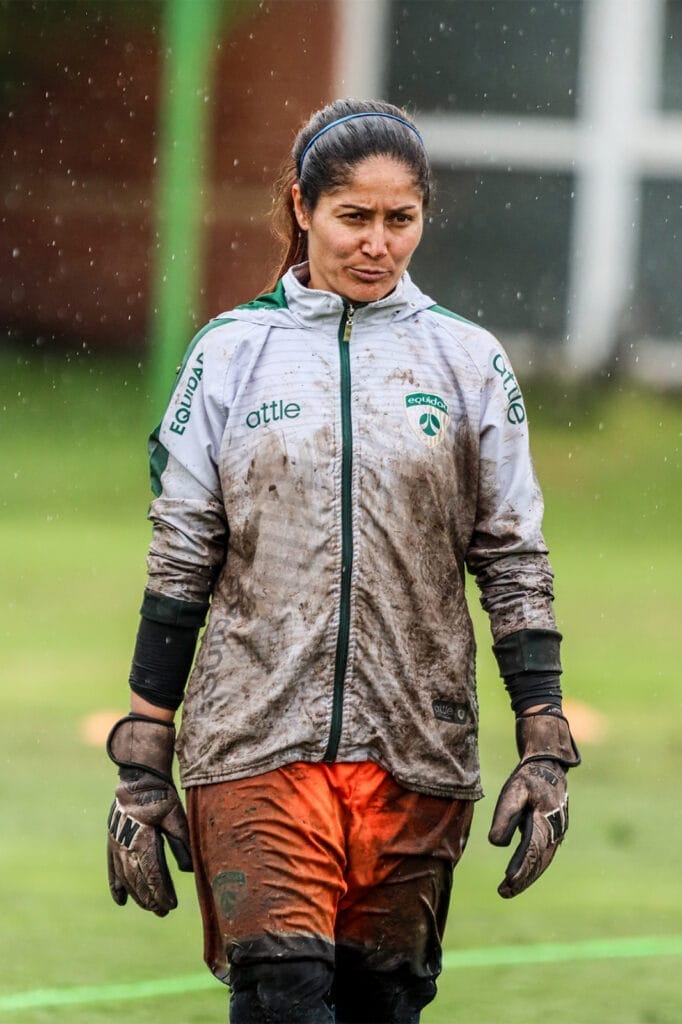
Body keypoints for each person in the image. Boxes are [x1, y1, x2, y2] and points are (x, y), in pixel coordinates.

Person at [106, 98, 580, 1024]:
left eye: (399, 220)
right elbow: (180, 561)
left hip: (418, 749)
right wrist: (140, 764)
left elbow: (514, 558)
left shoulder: (468, 362)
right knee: (282, 1001)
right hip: (250, 744)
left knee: (381, 1008)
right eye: (352, 217)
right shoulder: (232, 354)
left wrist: (544, 745)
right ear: (301, 207)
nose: (377, 244)